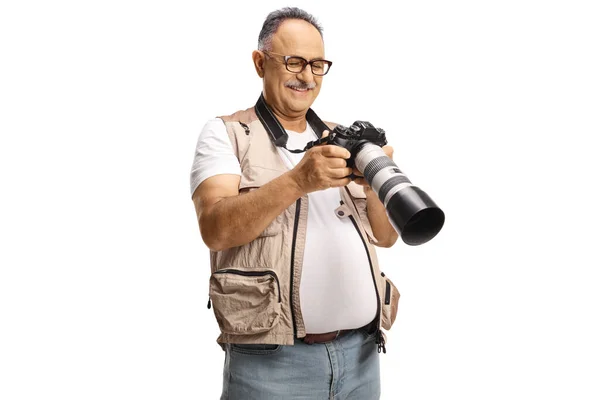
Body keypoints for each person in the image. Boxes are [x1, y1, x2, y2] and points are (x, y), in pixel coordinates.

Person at [190, 7, 401, 400]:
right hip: (271, 366)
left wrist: (374, 184)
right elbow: (215, 229)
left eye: (318, 65)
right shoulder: (228, 134)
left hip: (362, 358)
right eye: (294, 62)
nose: (307, 77)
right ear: (259, 63)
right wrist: (298, 180)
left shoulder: (346, 139)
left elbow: (387, 237)